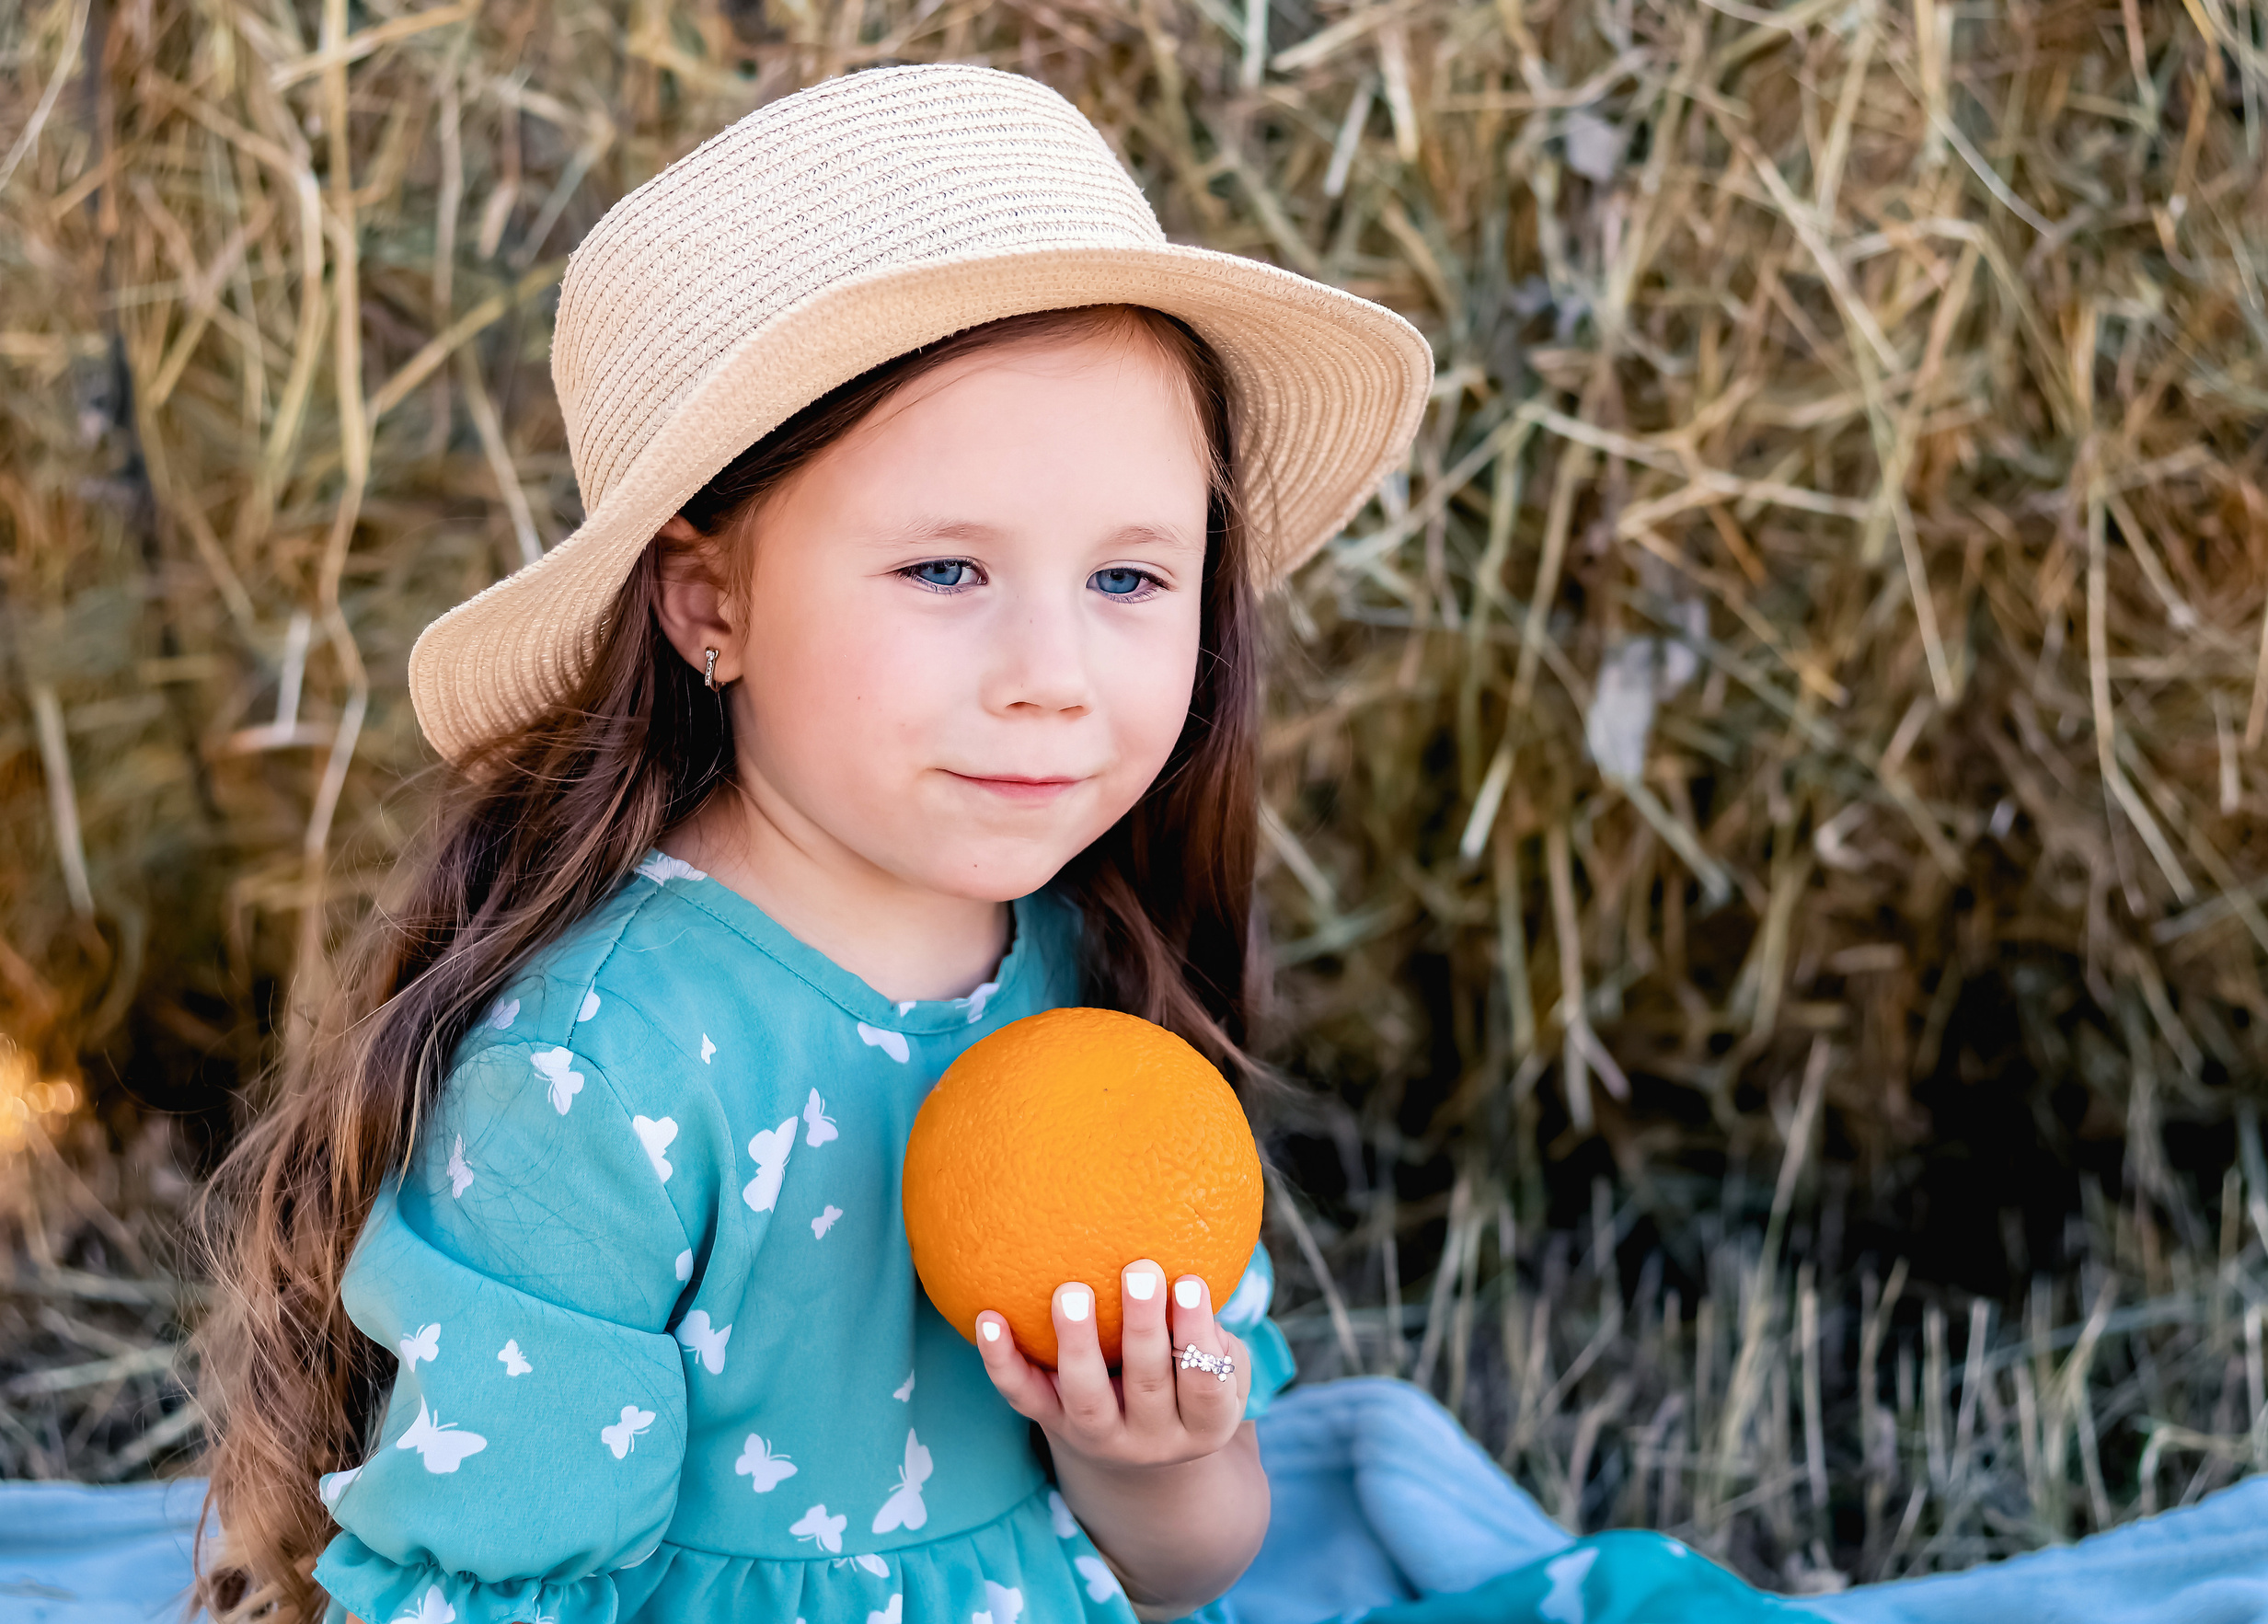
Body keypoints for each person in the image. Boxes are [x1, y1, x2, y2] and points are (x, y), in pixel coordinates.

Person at [199, 62, 1431, 1624]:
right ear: (711, 604)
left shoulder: (1087, 980)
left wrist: (1149, 1456)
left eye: (1130, 580)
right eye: (943, 569)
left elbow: (1187, 1565)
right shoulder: (604, 1078)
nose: (1052, 672)